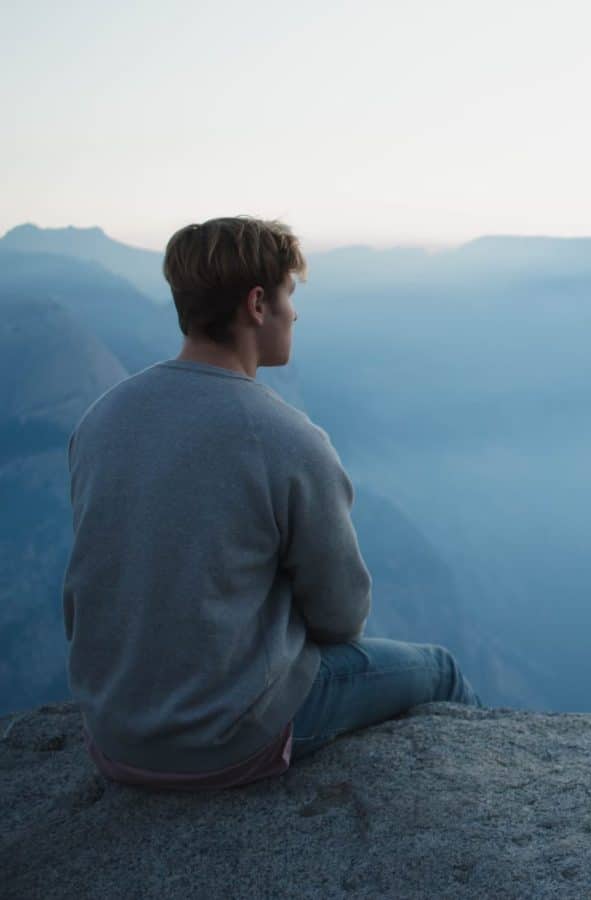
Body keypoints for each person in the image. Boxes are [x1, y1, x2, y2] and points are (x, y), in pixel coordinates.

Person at [61, 215, 484, 791]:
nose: (295, 312)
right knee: (441, 669)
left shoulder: (99, 421)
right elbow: (341, 616)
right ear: (257, 304)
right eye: (290, 293)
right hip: (228, 743)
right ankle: (495, 801)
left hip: (111, 739)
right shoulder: (286, 438)